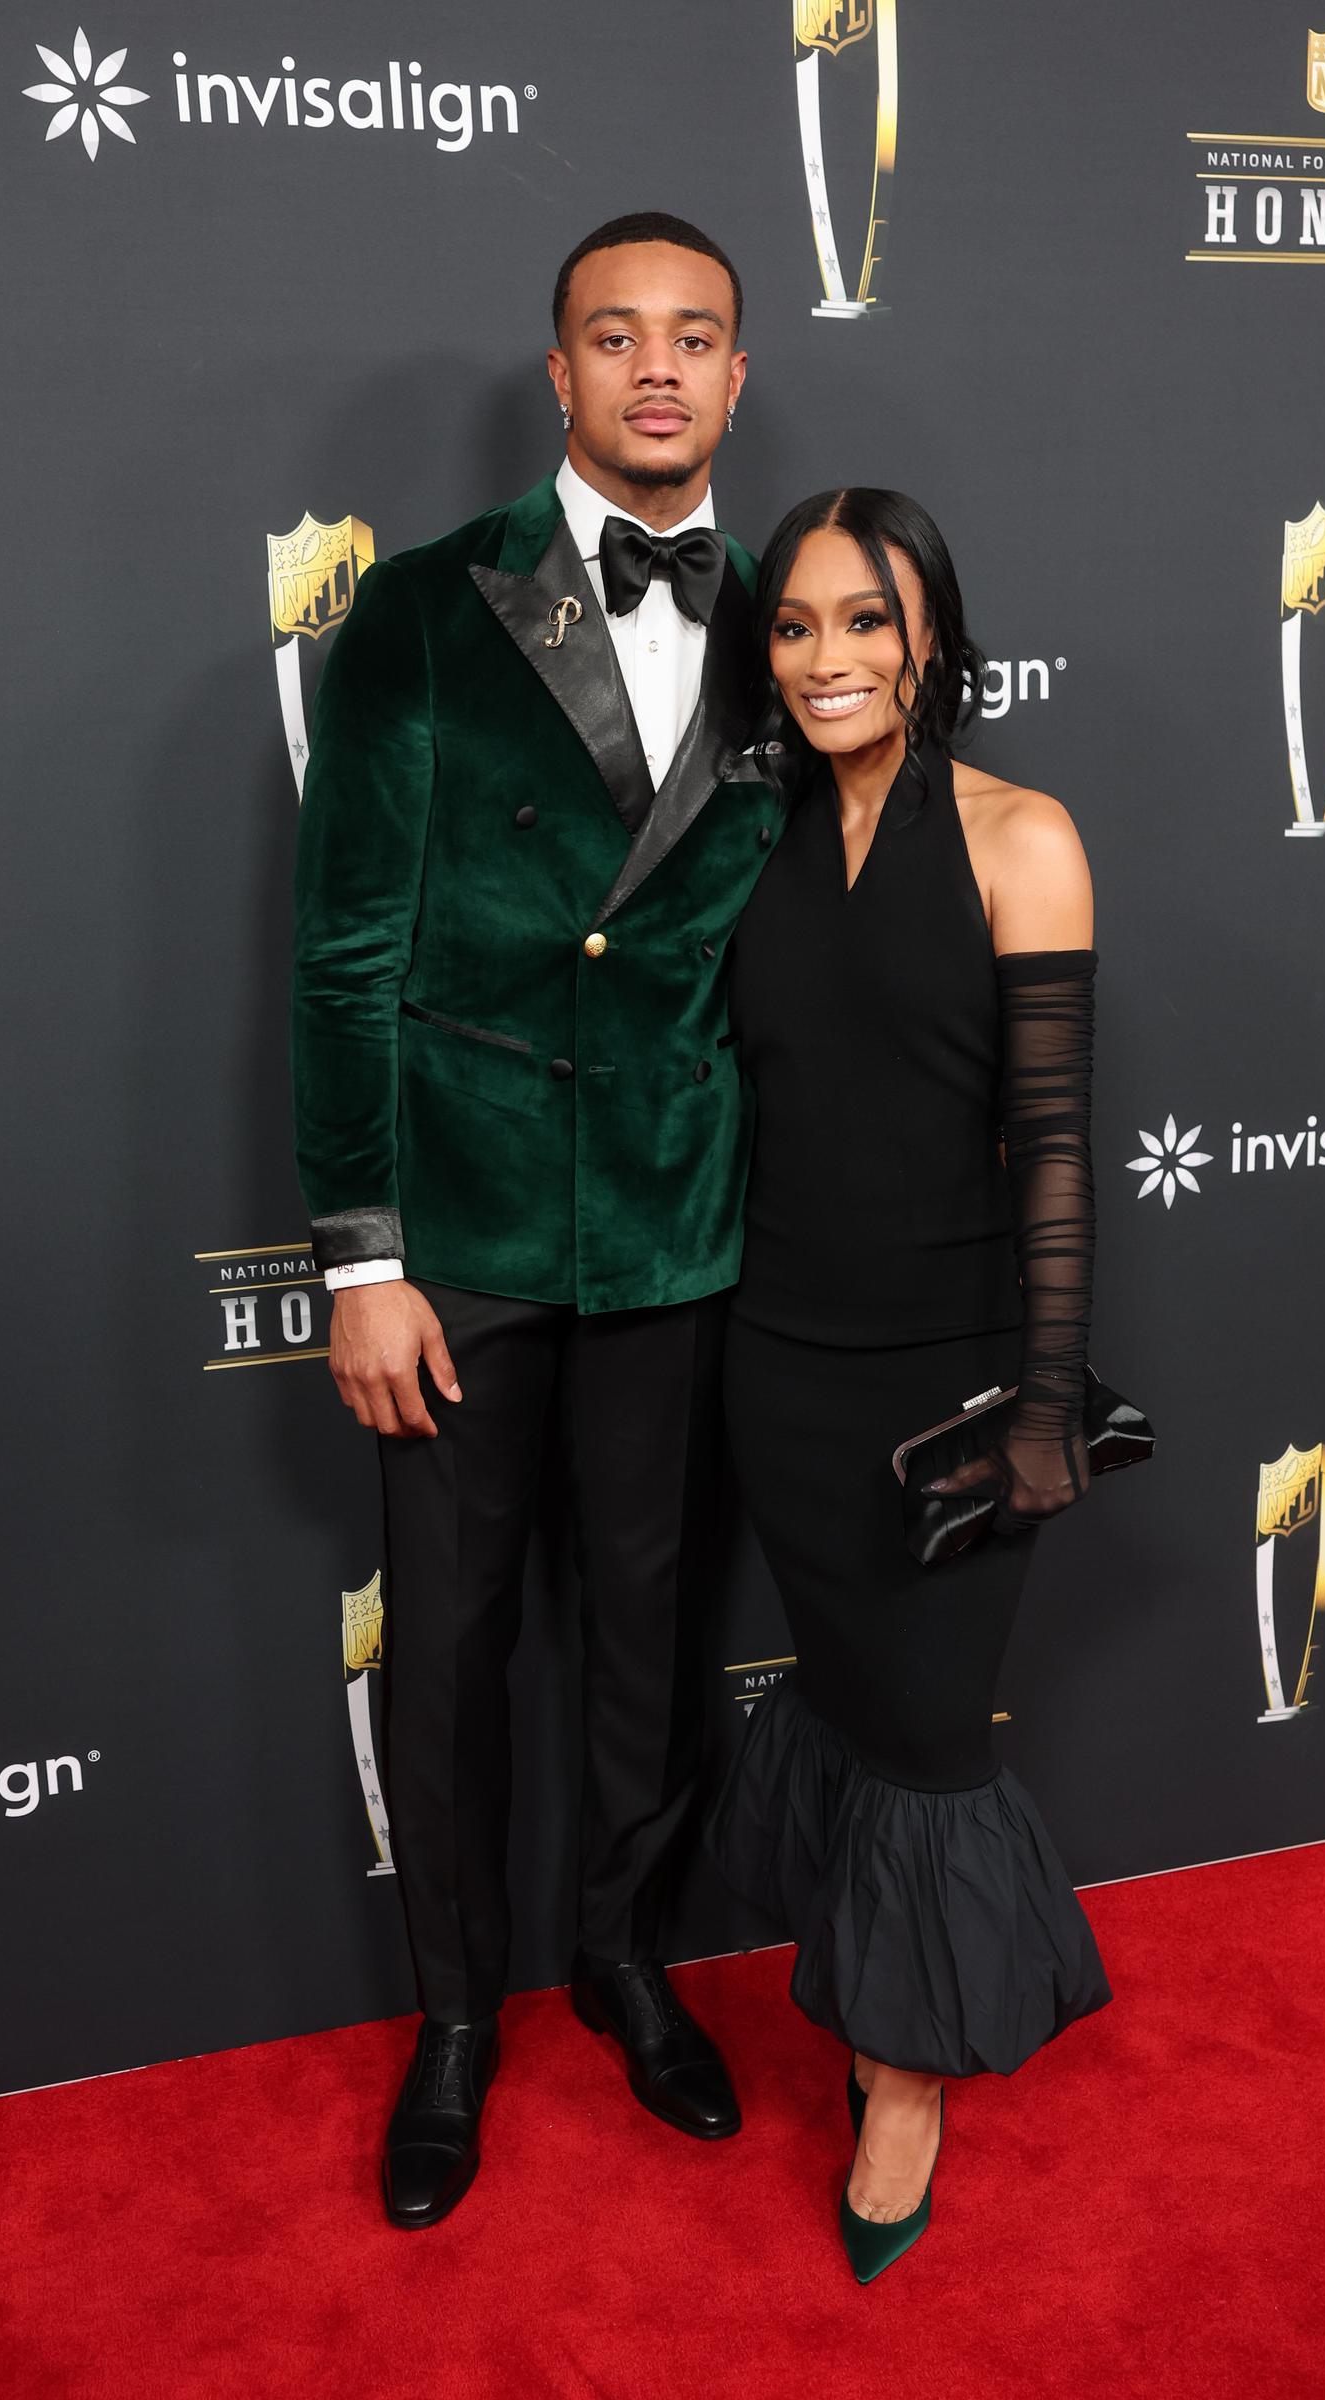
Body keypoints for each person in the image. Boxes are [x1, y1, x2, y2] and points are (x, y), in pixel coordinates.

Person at [291, 213, 782, 2230]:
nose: (654, 368)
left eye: (692, 338)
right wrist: (361, 1257)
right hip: (468, 1247)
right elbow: (341, 958)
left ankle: (619, 1958)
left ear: (735, 377)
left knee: (651, 1648)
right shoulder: (415, 612)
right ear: (557, 374)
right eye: (614, 336)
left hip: (677, 1230)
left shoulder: (797, 625)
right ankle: (455, 2026)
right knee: (456, 1652)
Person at [708, 490, 1111, 2283]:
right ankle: (870, 2009)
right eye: (795, 627)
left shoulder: (1024, 838)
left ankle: (905, 2084)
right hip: (777, 1368)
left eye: (866, 621)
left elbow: (1053, 1152)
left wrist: (1041, 1403)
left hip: (952, 1396)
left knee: (935, 1739)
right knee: (859, 1709)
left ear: (933, 634)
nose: (830, 660)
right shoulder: (751, 840)